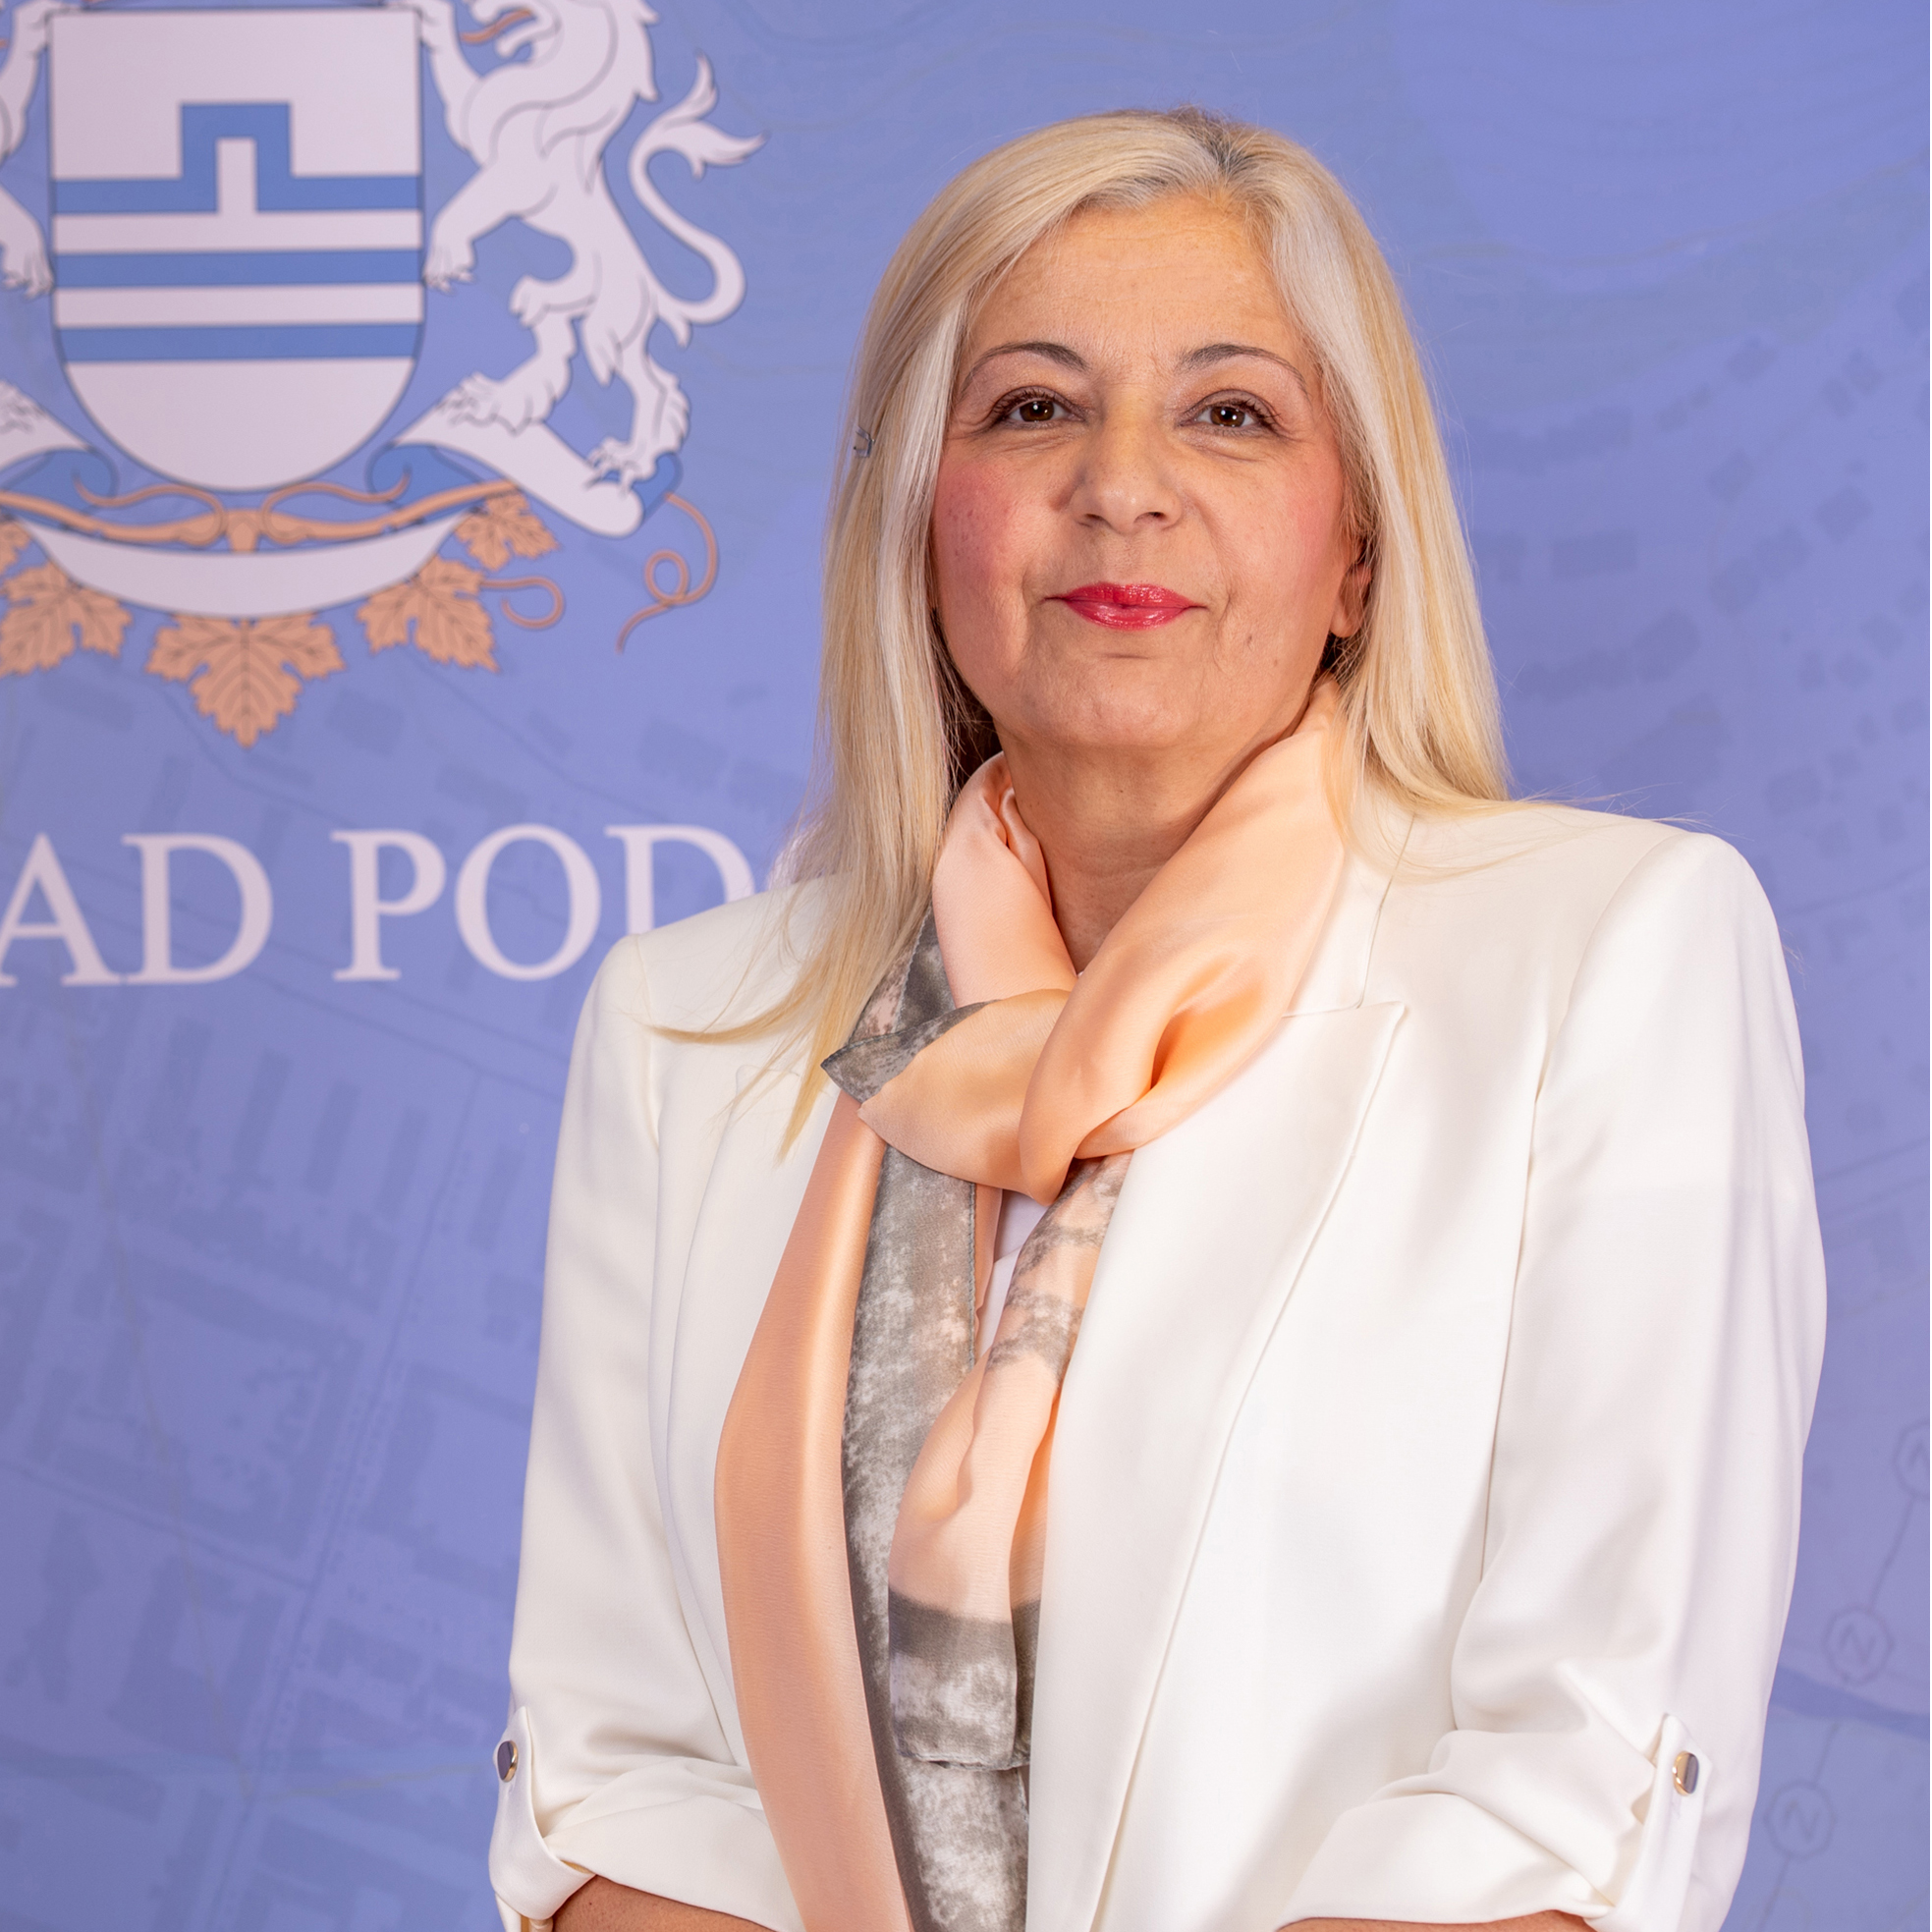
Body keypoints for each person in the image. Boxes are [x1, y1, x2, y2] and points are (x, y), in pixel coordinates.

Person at [484, 108, 1825, 1932]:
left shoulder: (1612, 955)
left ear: (1359, 553)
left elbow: (1569, 1786)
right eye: (1033, 406)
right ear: (918, 525)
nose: (1122, 486)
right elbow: (618, 1785)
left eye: (1232, 413)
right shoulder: (684, 1032)